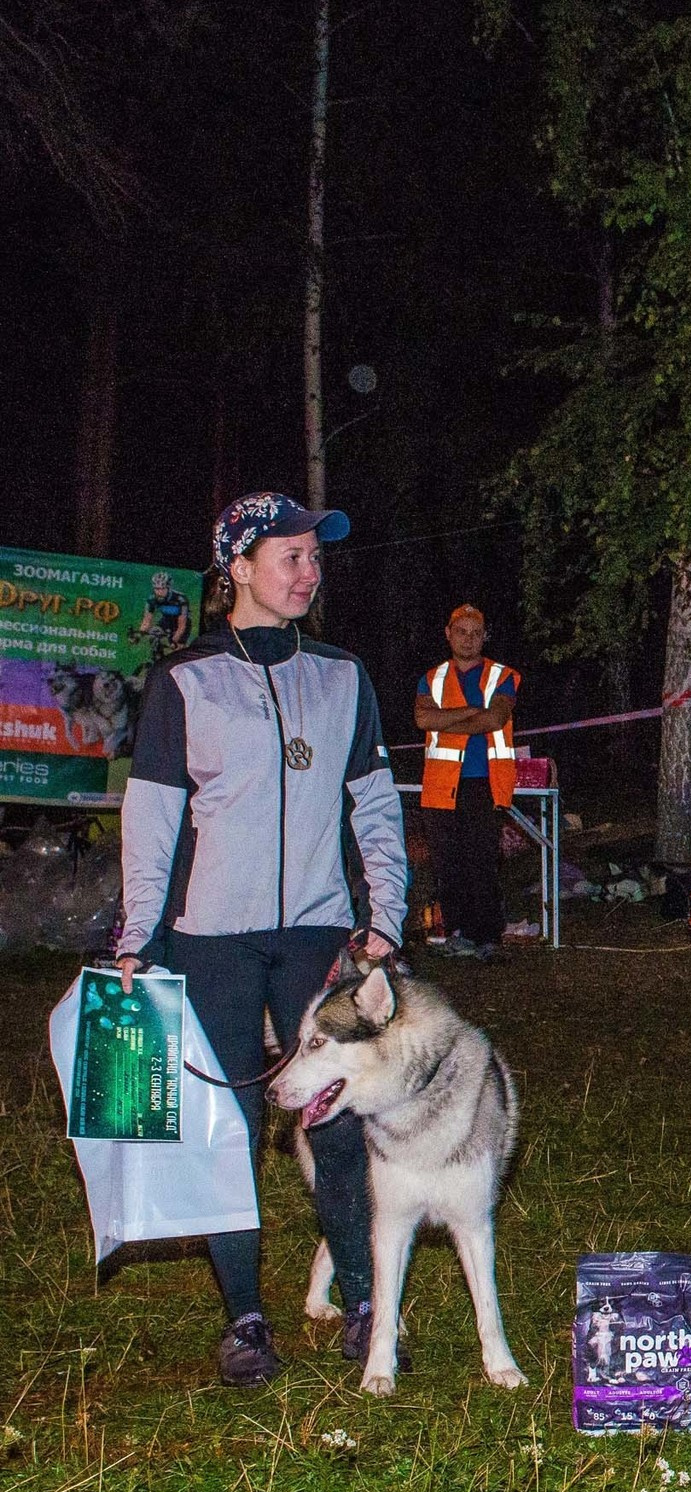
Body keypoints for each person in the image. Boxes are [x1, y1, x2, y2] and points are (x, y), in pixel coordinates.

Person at [113, 491, 409, 1387]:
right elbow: (152, 820)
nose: (309, 573)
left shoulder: (342, 675)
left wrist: (385, 916)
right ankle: (245, 1315)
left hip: (318, 933)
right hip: (213, 941)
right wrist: (137, 935)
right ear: (237, 567)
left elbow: (376, 806)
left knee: (344, 1121)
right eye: (290, 557)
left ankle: (363, 1298)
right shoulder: (184, 680)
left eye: (315, 558)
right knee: (229, 1127)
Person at [414, 605, 520, 962]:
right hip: (441, 786)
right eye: (462, 631)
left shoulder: (501, 675)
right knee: (448, 863)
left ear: (485, 636)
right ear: (448, 633)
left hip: (485, 783)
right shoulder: (432, 677)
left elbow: (496, 717)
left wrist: (444, 721)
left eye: (476, 632)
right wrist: (473, 712)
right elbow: (421, 717)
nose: (469, 639)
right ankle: (457, 932)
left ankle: (488, 936)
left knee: (483, 862)